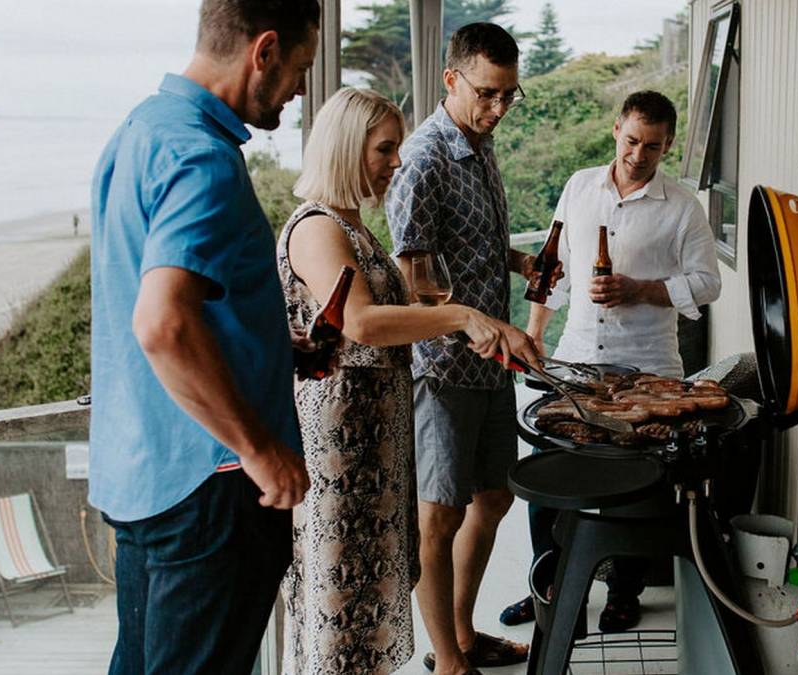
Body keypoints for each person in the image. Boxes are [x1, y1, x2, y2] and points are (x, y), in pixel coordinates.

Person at [88, 2, 317, 673]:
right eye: (301, 68)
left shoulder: (138, 131)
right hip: (209, 487)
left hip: (138, 472)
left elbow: (164, 305)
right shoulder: (204, 159)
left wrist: (274, 349)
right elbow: (162, 324)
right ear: (264, 50)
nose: (301, 88)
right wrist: (259, 448)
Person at [277, 88, 535, 675]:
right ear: (345, 149)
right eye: (384, 149)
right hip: (340, 452)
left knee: (370, 602)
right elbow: (362, 323)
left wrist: (477, 321)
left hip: (375, 443)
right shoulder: (317, 228)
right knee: (340, 603)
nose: (397, 162)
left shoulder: (352, 225)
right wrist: (463, 316)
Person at [501, 90, 722, 632]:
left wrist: (640, 290)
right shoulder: (579, 187)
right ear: (615, 129)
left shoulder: (683, 207)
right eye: (630, 141)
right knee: (552, 476)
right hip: (575, 363)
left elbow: (708, 282)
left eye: (651, 146)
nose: (637, 155)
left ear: (667, 145)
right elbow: (553, 269)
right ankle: (548, 584)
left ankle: (626, 592)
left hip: (648, 370)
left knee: (636, 485)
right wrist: (534, 343)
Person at [385, 22, 554, 675]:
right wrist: (480, 323)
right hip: (441, 368)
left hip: (493, 363)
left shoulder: (479, 144)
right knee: (439, 513)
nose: (499, 108)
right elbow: (413, 280)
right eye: (487, 93)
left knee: (495, 498)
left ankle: (460, 632)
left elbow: (471, 245)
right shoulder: (423, 159)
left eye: (509, 95)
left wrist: (519, 260)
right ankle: (449, 658)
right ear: (451, 79)